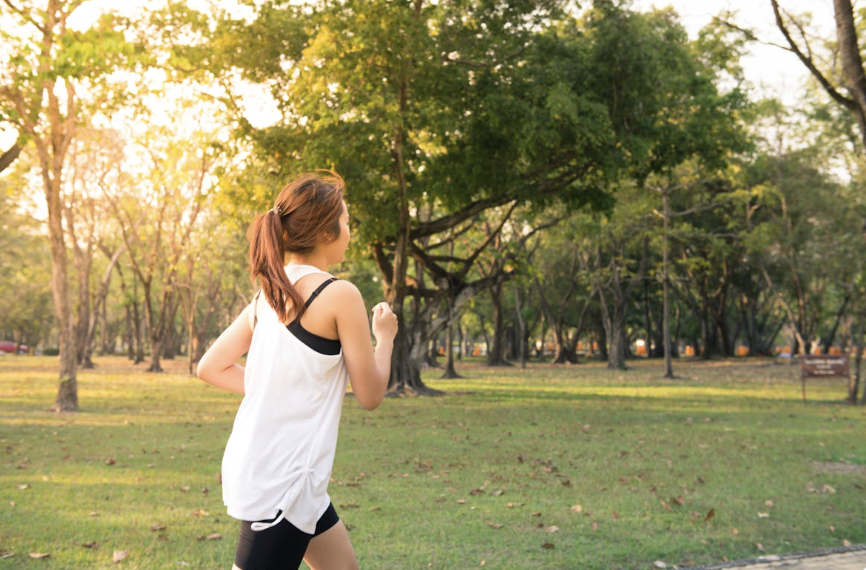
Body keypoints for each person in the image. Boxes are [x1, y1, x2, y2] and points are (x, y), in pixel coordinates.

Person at [197, 171, 397, 570]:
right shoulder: (340, 294)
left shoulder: (268, 294)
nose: (349, 231)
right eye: (345, 222)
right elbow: (371, 395)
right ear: (325, 230)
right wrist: (385, 337)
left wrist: (276, 390)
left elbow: (210, 367)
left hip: (285, 474)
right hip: (284, 483)